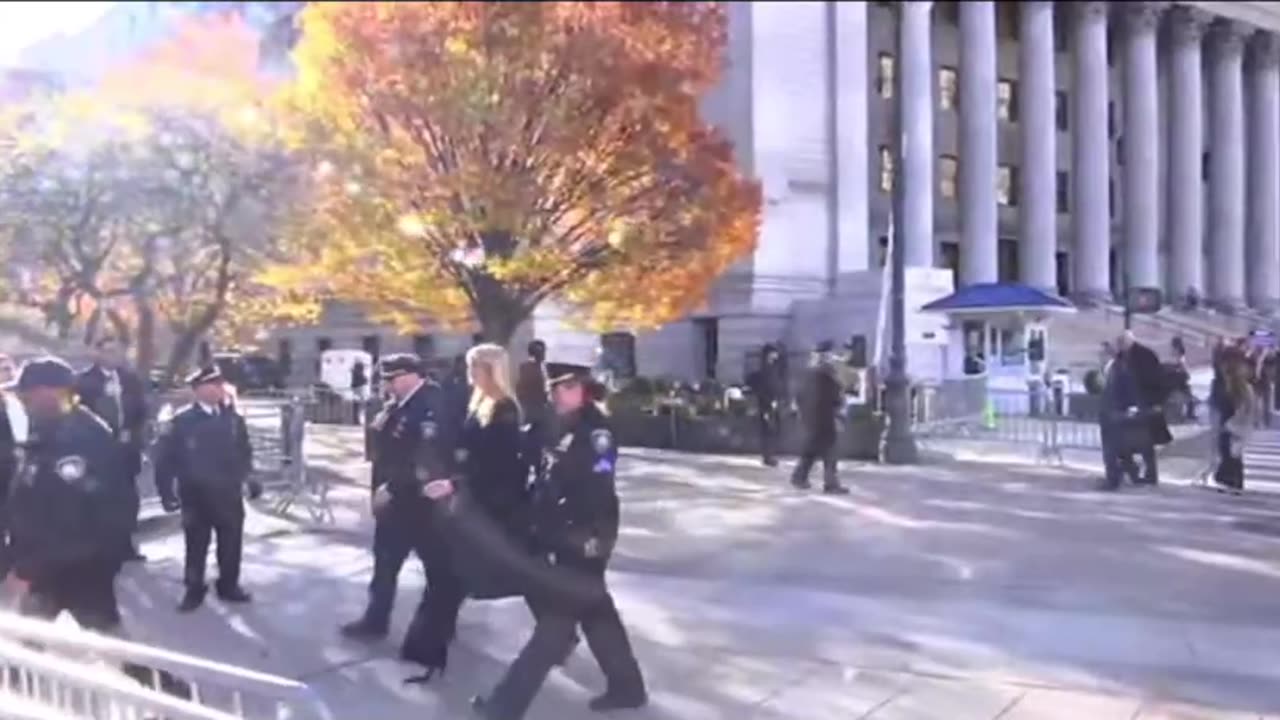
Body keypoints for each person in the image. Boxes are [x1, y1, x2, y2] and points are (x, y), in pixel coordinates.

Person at [468, 362, 646, 720]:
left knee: (553, 630)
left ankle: (504, 707)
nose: (559, 394)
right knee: (597, 613)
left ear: (584, 390)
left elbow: (596, 490)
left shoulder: (596, 433)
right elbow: (541, 471)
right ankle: (628, 687)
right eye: (556, 388)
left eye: (568, 387)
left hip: (583, 539)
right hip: (560, 535)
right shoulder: (555, 426)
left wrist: (591, 540)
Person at [399, 343, 530, 684]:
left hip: (484, 505)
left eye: (476, 369)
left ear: (490, 371)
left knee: (449, 577)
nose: (470, 376)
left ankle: (427, 649)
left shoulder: (504, 411)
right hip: (467, 500)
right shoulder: (481, 405)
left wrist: (454, 483)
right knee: (447, 577)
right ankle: (425, 648)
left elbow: (497, 468)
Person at [340, 354, 459, 668]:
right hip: (395, 503)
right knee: (385, 564)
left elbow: (426, 458)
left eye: (392, 379)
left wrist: (393, 487)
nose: (387, 385)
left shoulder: (431, 406)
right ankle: (376, 619)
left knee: (438, 569)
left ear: (409, 376)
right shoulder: (397, 405)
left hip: (419, 504)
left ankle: (440, 624)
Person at [3, 357, 135, 632]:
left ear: (52, 392)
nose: (23, 400)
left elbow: (72, 517)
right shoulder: (48, 429)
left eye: (27, 393)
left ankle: (153, 677)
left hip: (78, 568)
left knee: (112, 645)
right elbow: (29, 500)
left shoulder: (80, 438)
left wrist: (28, 569)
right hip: (49, 566)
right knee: (26, 648)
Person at [153, 366, 258, 612]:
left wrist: (250, 479)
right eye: (212, 384)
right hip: (196, 495)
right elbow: (166, 459)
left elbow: (244, 453)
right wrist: (166, 492)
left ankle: (228, 585)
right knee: (196, 544)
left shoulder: (232, 419)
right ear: (198, 390)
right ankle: (194, 588)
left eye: (220, 384)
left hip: (228, 493)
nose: (219, 389)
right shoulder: (182, 421)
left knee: (231, 543)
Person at [76, 336, 149, 562]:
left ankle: (126, 545)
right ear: (97, 354)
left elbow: (141, 412)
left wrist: (133, 434)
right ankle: (97, 547)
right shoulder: (83, 381)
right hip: (97, 451)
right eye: (107, 351)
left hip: (126, 451)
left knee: (127, 499)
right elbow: (78, 415)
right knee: (98, 498)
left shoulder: (130, 380)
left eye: (116, 351)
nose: (113, 356)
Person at [790, 341, 849, 494]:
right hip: (826, 418)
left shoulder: (807, 374)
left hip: (811, 419)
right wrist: (840, 409)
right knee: (829, 453)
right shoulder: (827, 374)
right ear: (826, 356)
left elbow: (798, 397)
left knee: (811, 451)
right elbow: (835, 398)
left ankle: (799, 477)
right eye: (830, 354)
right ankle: (830, 484)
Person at [1118, 331, 1171, 486]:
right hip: (1131, 404)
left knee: (1144, 442)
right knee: (1125, 441)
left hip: (1146, 403)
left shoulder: (1145, 356)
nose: (1120, 348)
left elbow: (1157, 380)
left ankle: (1149, 474)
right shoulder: (1123, 357)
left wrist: (1157, 402)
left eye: (1121, 344)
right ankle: (1134, 472)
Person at [1214, 349, 1255, 494]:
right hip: (1235, 423)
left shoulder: (1234, 383)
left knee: (1229, 451)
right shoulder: (1237, 382)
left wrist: (1231, 422)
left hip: (1232, 423)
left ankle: (1229, 479)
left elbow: (1240, 406)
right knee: (1232, 452)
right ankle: (1233, 480)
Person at [747, 343, 787, 467]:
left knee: (773, 430)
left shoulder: (775, 368)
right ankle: (768, 456)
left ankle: (771, 455)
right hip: (766, 404)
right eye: (773, 353)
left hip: (774, 402)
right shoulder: (765, 369)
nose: (776, 355)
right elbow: (763, 388)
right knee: (768, 430)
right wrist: (769, 401)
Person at [351, 360, 369, 425]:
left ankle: (356, 420)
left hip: (357, 391)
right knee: (359, 407)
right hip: (358, 391)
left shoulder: (355, 373)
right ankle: (356, 420)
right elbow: (364, 380)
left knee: (358, 407)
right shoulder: (357, 373)